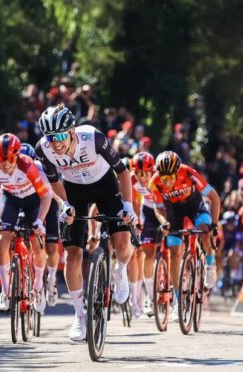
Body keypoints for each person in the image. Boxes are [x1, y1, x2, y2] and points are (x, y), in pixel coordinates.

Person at [34, 104, 137, 342]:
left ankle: (120, 271)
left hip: (105, 186)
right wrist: (64, 204)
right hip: (74, 191)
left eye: (59, 136)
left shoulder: (93, 138)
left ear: (71, 131)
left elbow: (122, 173)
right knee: (72, 256)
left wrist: (128, 206)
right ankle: (80, 316)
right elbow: (53, 181)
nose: (55, 142)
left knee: (122, 245)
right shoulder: (44, 149)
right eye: (50, 138)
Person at [149, 151, 220, 321]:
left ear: (177, 171)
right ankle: (178, 300)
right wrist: (164, 222)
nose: (166, 181)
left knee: (203, 230)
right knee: (174, 252)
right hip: (173, 211)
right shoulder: (155, 182)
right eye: (163, 177)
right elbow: (158, 208)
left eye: (170, 177)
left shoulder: (188, 172)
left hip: (194, 205)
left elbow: (214, 197)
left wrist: (214, 225)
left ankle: (210, 261)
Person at [0, 134, 52, 314]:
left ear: (17, 156)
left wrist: (39, 220)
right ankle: (4, 291)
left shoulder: (28, 166)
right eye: (2, 159)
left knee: (36, 244)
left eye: (10, 160)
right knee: (2, 238)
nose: (6, 164)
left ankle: (38, 287)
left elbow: (45, 197)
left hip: (33, 200)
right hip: (11, 199)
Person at [20, 142, 60, 307]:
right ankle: (27, 273)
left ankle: (51, 277)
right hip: (28, 202)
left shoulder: (43, 168)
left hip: (48, 201)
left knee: (51, 246)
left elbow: (53, 193)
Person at [128, 152, 159, 317]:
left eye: (146, 174)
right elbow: (134, 202)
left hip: (165, 208)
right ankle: (151, 297)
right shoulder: (132, 179)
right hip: (148, 209)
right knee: (147, 252)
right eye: (139, 173)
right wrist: (137, 221)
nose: (142, 178)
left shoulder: (159, 178)